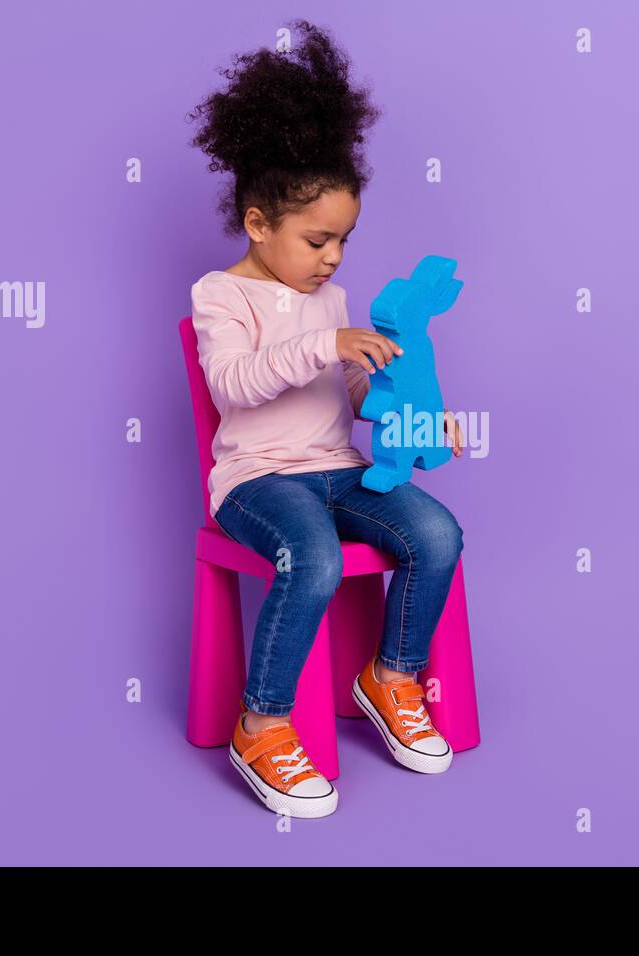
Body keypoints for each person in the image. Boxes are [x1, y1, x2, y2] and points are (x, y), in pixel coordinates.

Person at [187, 19, 467, 819]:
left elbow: (353, 401)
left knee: (438, 534)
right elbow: (235, 385)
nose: (334, 258)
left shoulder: (334, 303)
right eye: (316, 240)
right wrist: (321, 342)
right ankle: (262, 723)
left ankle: (392, 675)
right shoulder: (222, 295)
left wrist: (417, 421)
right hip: (257, 480)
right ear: (256, 223)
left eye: (343, 239)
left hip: (339, 469)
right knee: (311, 557)